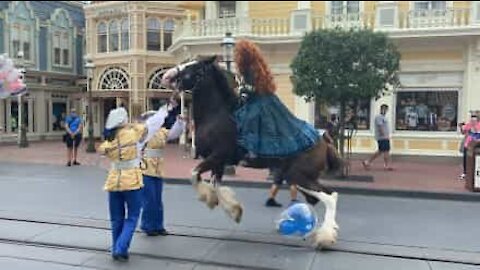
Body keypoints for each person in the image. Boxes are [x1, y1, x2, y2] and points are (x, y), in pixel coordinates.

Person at [97, 102, 174, 261]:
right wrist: (165, 109)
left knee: (116, 219)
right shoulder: (134, 134)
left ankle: (116, 248)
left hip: (113, 182)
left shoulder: (108, 142)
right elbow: (152, 124)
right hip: (132, 181)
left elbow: (103, 150)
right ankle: (120, 248)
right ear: (124, 120)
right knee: (132, 217)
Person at [233, 39, 320, 159]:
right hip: (260, 100)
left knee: (250, 119)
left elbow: (253, 88)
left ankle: (251, 150)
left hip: (261, 101)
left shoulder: (252, 69)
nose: (236, 56)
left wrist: (241, 90)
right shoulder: (250, 68)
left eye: (238, 53)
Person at [139, 100, 185, 237]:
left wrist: (180, 122)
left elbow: (174, 133)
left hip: (158, 168)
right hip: (145, 167)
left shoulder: (160, 132)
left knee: (158, 199)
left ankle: (158, 225)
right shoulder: (144, 132)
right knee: (149, 199)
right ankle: (147, 225)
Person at [362, 104, 393, 171]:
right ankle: (386, 165)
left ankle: (367, 162)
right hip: (382, 137)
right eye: (383, 109)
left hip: (385, 137)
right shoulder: (379, 117)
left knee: (380, 151)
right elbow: (380, 126)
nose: (385, 111)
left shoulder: (384, 117)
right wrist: (383, 134)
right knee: (386, 151)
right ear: (381, 109)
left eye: (386, 109)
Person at [460, 112, 480, 180]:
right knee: (466, 159)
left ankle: (474, 173)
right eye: (472, 119)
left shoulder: (479, 125)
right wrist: (461, 127)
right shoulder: (469, 125)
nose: (473, 120)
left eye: (474, 119)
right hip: (468, 145)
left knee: (475, 160)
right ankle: (465, 173)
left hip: (477, 146)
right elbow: (463, 132)